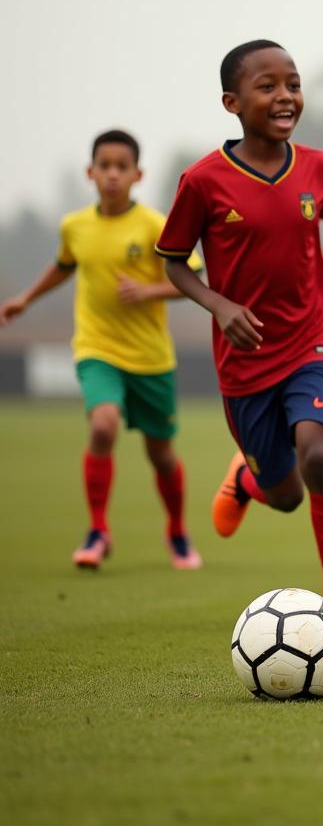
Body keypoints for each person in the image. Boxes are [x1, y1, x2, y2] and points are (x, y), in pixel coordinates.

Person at [156, 40, 323, 632]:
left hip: (313, 342)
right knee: (285, 495)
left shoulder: (319, 169)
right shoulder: (202, 181)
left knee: (319, 452)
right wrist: (218, 304)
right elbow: (173, 261)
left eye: (293, 84)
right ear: (232, 101)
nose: (285, 97)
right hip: (245, 360)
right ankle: (248, 479)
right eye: (268, 86)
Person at [0, 130, 202, 571]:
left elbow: (192, 280)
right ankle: (97, 530)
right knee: (103, 426)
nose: (112, 174)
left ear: (137, 175)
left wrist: (149, 289)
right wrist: (24, 300)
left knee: (161, 454)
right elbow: (63, 266)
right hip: (97, 348)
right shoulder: (75, 226)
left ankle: (177, 533)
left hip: (151, 358)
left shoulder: (154, 225)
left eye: (121, 167)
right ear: (90, 173)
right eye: (104, 166)